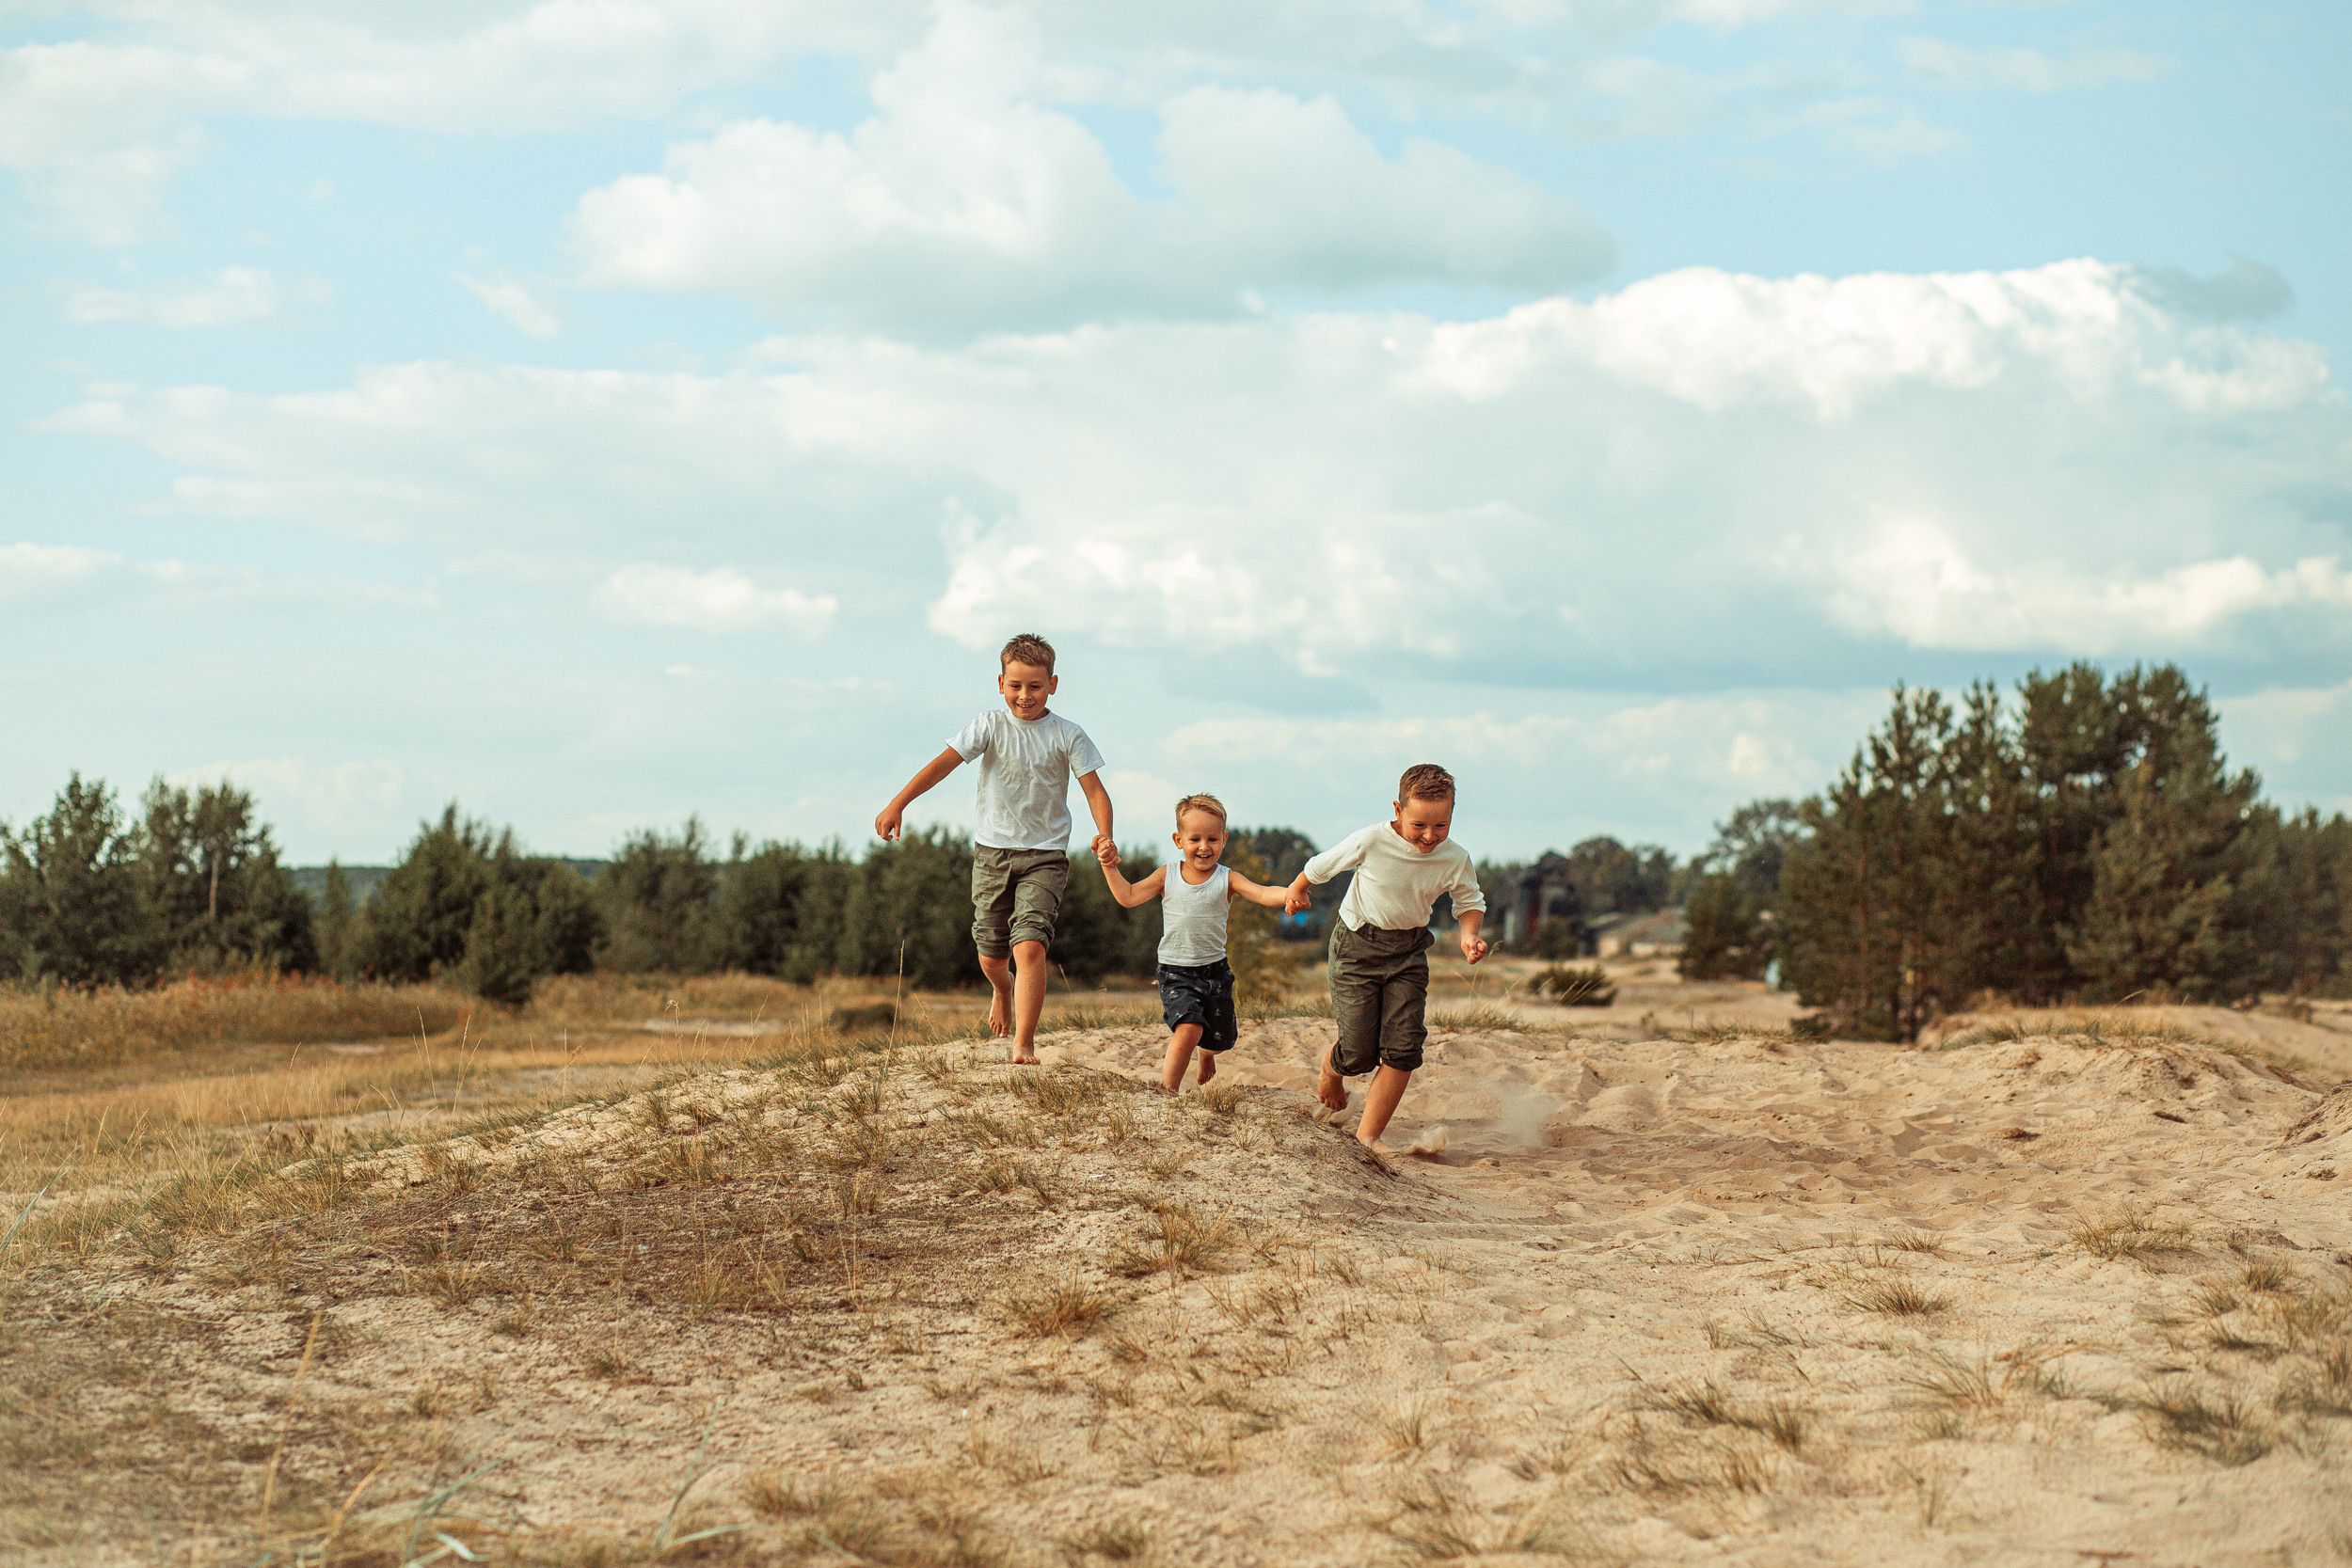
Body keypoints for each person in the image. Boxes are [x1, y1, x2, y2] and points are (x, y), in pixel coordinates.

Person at [874, 632, 1113, 1064]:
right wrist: (897, 804)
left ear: (1053, 685)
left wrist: (1105, 834)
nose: (1025, 696)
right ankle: (1002, 989)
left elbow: (1095, 790)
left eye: (1035, 686)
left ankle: (1024, 1041)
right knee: (991, 953)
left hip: (1046, 855)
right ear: (1000, 683)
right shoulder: (988, 725)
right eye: (1016, 685)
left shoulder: (1068, 735)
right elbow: (941, 766)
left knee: (1031, 946)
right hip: (992, 854)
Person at [1282, 763, 1488, 1148]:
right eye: (1419, 826)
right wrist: (1298, 887)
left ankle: (1368, 1139)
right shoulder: (1371, 840)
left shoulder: (1455, 858)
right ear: (1398, 810)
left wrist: (1470, 935)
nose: (1429, 836)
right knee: (1359, 1053)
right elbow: (1321, 866)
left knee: (1404, 1047)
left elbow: (1469, 900)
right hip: (1356, 947)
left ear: (1451, 816)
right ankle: (1333, 1065)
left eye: (1440, 826)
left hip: (1409, 953)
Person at [1095, 794, 1295, 1094]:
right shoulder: (1168, 875)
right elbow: (1128, 896)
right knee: (1189, 1027)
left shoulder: (1227, 879)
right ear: (1178, 840)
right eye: (1195, 839)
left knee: (1220, 1040)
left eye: (1212, 839)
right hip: (1176, 972)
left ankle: (1206, 1055)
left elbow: (1263, 893)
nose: (1204, 847)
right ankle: (1167, 1091)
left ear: (1224, 839)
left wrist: (1289, 895)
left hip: (1215, 971)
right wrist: (1109, 867)